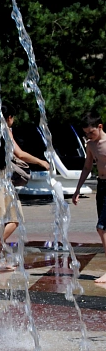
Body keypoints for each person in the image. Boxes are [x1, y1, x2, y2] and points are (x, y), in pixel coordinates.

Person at [0, 104, 50, 271]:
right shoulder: (4, 130)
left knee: (3, 219)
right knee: (15, 218)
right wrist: (41, 162)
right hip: (1, 178)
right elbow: (20, 154)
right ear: (9, 117)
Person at [72, 111, 106, 283]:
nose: (88, 136)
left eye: (91, 132)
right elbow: (87, 167)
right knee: (104, 228)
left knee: (102, 228)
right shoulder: (91, 145)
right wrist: (78, 189)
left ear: (100, 127)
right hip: (101, 186)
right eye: (85, 133)